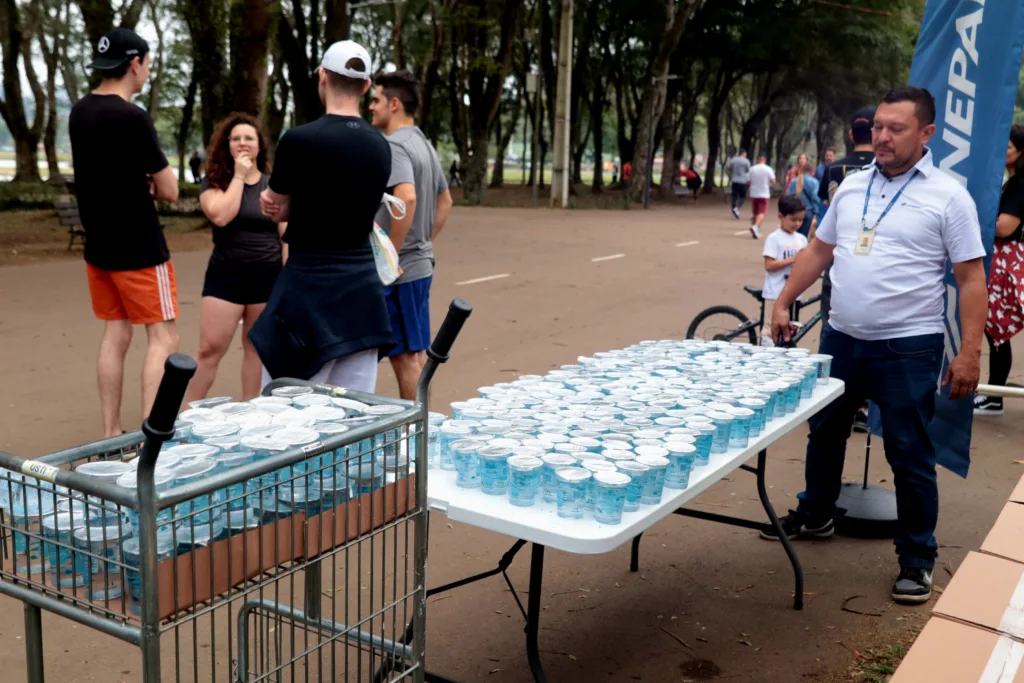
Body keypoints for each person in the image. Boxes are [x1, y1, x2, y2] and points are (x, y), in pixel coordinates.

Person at [765, 86, 988, 605]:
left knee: (908, 451)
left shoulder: (949, 197)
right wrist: (783, 302)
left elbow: (971, 279)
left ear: (926, 133)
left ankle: (917, 559)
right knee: (825, 431)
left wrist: (970, 351)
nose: (881, 137)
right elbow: (819, 250)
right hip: (842, 338)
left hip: (908, 348)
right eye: (878, 127)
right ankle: (817, 514)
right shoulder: (852, 186)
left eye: (896, 129)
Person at [252, 40, 394, 392]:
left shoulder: (299, 140)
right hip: (362, 297)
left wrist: (275, 205)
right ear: (365, 86)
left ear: (322, 77)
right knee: (355, 413)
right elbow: (349, 204)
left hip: (307, 290)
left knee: (285, 408)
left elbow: (277, 202)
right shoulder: (380, 145)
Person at [69, 28, 180, 437]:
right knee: (164, 338)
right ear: (135, 63)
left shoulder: (79, 112)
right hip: (140, 247)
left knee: (116, 333)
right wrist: (150, 182)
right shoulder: (133, 117)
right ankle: (151, 440)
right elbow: (169, 189)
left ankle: (111, 433)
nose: (147, 71)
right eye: (147, 64)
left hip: (99, 245)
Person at [184, 113, 286, 404]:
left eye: (249, 138)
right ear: (227, 145)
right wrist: (239, 176)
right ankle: (185, 415)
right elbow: (221, 216)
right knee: (209, 350)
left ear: (259, 146)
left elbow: (286, 236)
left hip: (267, 279)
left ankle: (250, 410)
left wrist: (288, 279)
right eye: (236, 138)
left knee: (256, 350)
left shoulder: (273, 185)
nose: (242, 143)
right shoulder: (214, 182)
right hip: (226, 278)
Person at [370, 69, 453, 400]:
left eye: (376, 100)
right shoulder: (422, 142)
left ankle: (419, 428)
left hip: (402, 271)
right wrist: (423, 242)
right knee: (415, 357)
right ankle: (423, 425)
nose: (371, 107)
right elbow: (445, 201)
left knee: (404, 359)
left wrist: (392, 255)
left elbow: (407, 198)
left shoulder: (395, 145)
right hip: (419, 264)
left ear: (394, 104)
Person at [975, 123, 1024, 416]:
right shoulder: (1012, 181)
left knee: (996, 328)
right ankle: (994, 395)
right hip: (1005, 261)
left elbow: (1005, 227)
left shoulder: (1020, 184)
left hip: (1008, 262)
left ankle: (994, 397)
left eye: (1007, 147)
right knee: (996, 328)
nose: (1001, 152)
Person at [760, 196, 809, 345]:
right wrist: (792, 259)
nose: (797, 223)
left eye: (801, 220)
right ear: (781, 216)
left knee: (790, 331)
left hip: (794, 294)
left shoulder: (801, 239)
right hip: (775, 293)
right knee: (770, 331)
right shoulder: (774, 238)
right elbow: (769, 265)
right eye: (793, 219)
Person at [786, 162, 821, 238]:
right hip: (808, 211)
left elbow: (788, 195)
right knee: (803, 236)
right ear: (811, 172)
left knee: (793, 233)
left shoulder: (793, 181)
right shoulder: (814, 182)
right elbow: (815, 197)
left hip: (794, 210)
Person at [747, 154, 775, 239]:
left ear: (757, 159)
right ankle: (756, 226)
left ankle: (756, 230)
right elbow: (773, 181)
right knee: (762, 212)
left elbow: (748, 181)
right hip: (764, 193)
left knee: (755, 212)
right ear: (765, 160)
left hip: (754, 193)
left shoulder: (752, 169)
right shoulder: (768, 169)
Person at [726, 149, 751, 219]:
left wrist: (730, 176)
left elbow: (727, 168)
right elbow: (749, 171)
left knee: (734, 197)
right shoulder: (746, 161)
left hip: (734, 181)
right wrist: (748, 180)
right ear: (744, 154)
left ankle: (734, 215)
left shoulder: (733, 160)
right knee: (742, 197)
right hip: (743, 181)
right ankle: (737, 208)